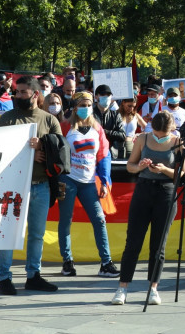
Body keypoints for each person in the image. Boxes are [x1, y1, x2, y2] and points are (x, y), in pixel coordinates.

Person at [0, 75, 67, 295]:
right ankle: (4, 278)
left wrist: (43, 149)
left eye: (23, 92)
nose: (18, 96)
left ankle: (33, 275)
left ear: (36, 94)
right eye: (17, 92)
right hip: (13, 187)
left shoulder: (49, 119)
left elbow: (61, 152)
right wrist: (27, 152)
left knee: (37, 234)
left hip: (41, 185)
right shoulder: (7, 118)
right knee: (7, 232)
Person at [111, 112, 180, 305]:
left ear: (171, 129)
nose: (159, 137)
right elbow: (130, 167)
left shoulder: (178, 140)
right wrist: (140, 166)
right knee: (133, 241)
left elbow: (182, 173)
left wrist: (164, 169)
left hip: (166, 192)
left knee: (159, 244)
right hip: (143, 190)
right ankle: (122, 287)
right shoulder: (143, 138)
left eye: (163, 134)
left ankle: (153, 288)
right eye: (157, 133)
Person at [57, 92, 119, 279]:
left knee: (99, 220)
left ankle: (106, 263)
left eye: (89, 104)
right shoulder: (65, 126)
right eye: (82, 105)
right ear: (75, 107)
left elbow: (104, 155)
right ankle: (67, 261)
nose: (86, 108)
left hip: (90, 181)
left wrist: (105, 179)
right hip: (67, 180)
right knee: (66, 220)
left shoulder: (97, 128)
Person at [93, 84, 127, 159]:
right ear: (96, 97)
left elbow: (122, 135)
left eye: (108, 95)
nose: (106, 97)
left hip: (111, 153)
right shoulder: (90, 115)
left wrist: (103, 132)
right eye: (102, 94)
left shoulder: (115, 115)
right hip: (94, 153)